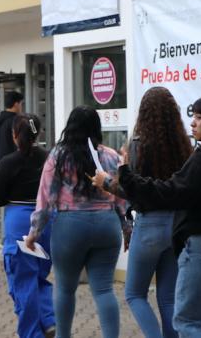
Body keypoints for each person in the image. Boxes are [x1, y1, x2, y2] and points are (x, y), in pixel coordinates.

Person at [93, 94, 201, 338]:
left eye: (199, 117)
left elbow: (171, 192)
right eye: (192, 116)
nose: (193, 122)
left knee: (188, 322)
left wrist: (126, 174)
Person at [26, 106, 128, 338]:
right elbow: (122, 195)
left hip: (70, 226)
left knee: (64, 288)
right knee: (104, 289)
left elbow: (46, 197)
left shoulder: (58, 156)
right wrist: (127, 226)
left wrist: (35, 232)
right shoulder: (112, 156)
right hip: (106, 224)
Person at [120, 87, 193, 338]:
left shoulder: (137, 145)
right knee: (168, 299)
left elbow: (131, 189)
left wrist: (118, 171)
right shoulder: (184, 145)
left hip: (149, 223)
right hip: (177, 225)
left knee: (134, 294)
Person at [0, 114, 56, 338]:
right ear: (39, 134)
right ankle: (48, 319)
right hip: (46, 220)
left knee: (22, 279)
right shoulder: (49, 159)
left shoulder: (7, 163)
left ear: (14, 135)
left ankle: (31, 334)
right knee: (40, 275)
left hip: (19, 221)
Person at [0, 91, 24, 162]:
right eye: (21, 104)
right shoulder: (18, 121)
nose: (21, 107)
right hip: (14, 164)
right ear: (16, 104)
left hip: (0, 163)